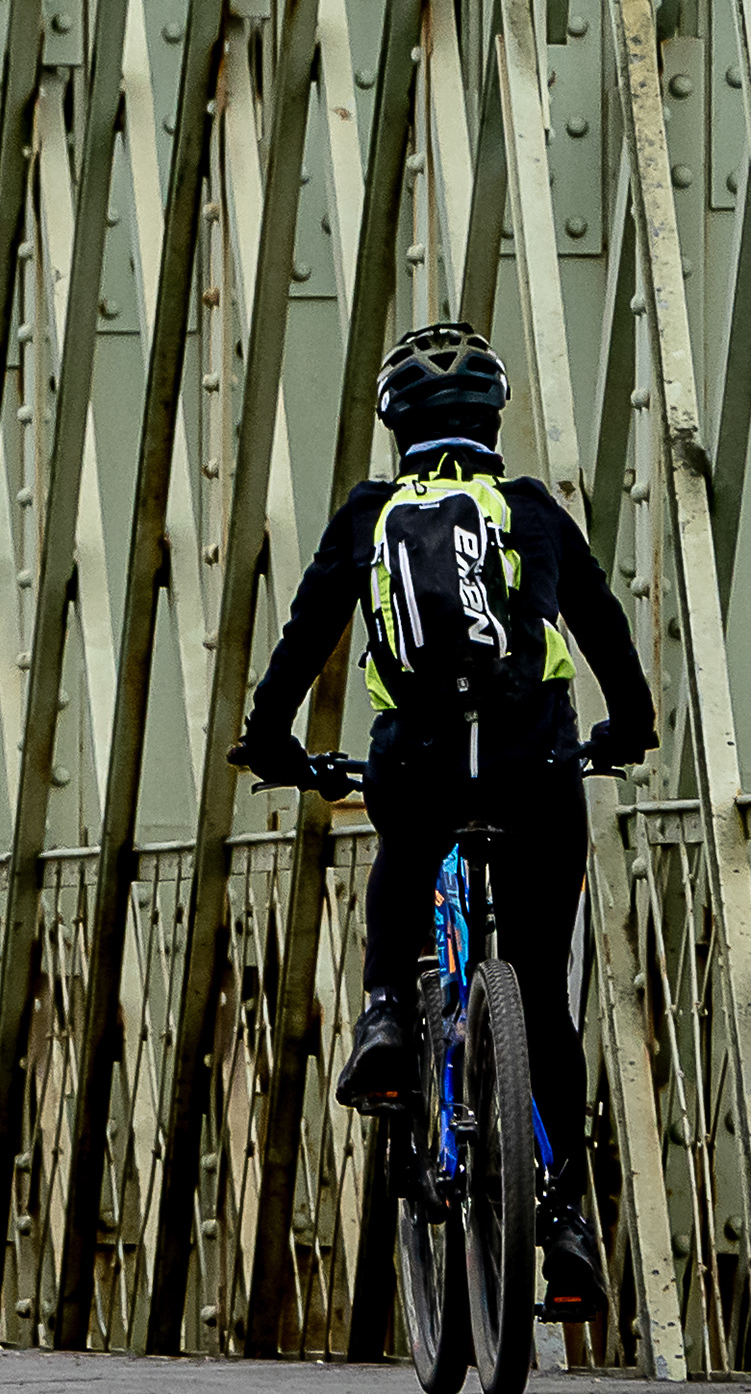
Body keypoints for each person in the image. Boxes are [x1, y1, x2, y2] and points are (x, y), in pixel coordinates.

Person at [226, 321, 653, 1324]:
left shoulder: (372, 515)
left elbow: (305, 634)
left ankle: (385, 1015)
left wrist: (271, 740)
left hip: (416, 763)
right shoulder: (530, 509)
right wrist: (626, 731)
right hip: (535, 769)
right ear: (492, 420)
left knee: (407, 856)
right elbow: (603, 629)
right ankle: (566, 1220)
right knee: (541, 997)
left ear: (396, 426)